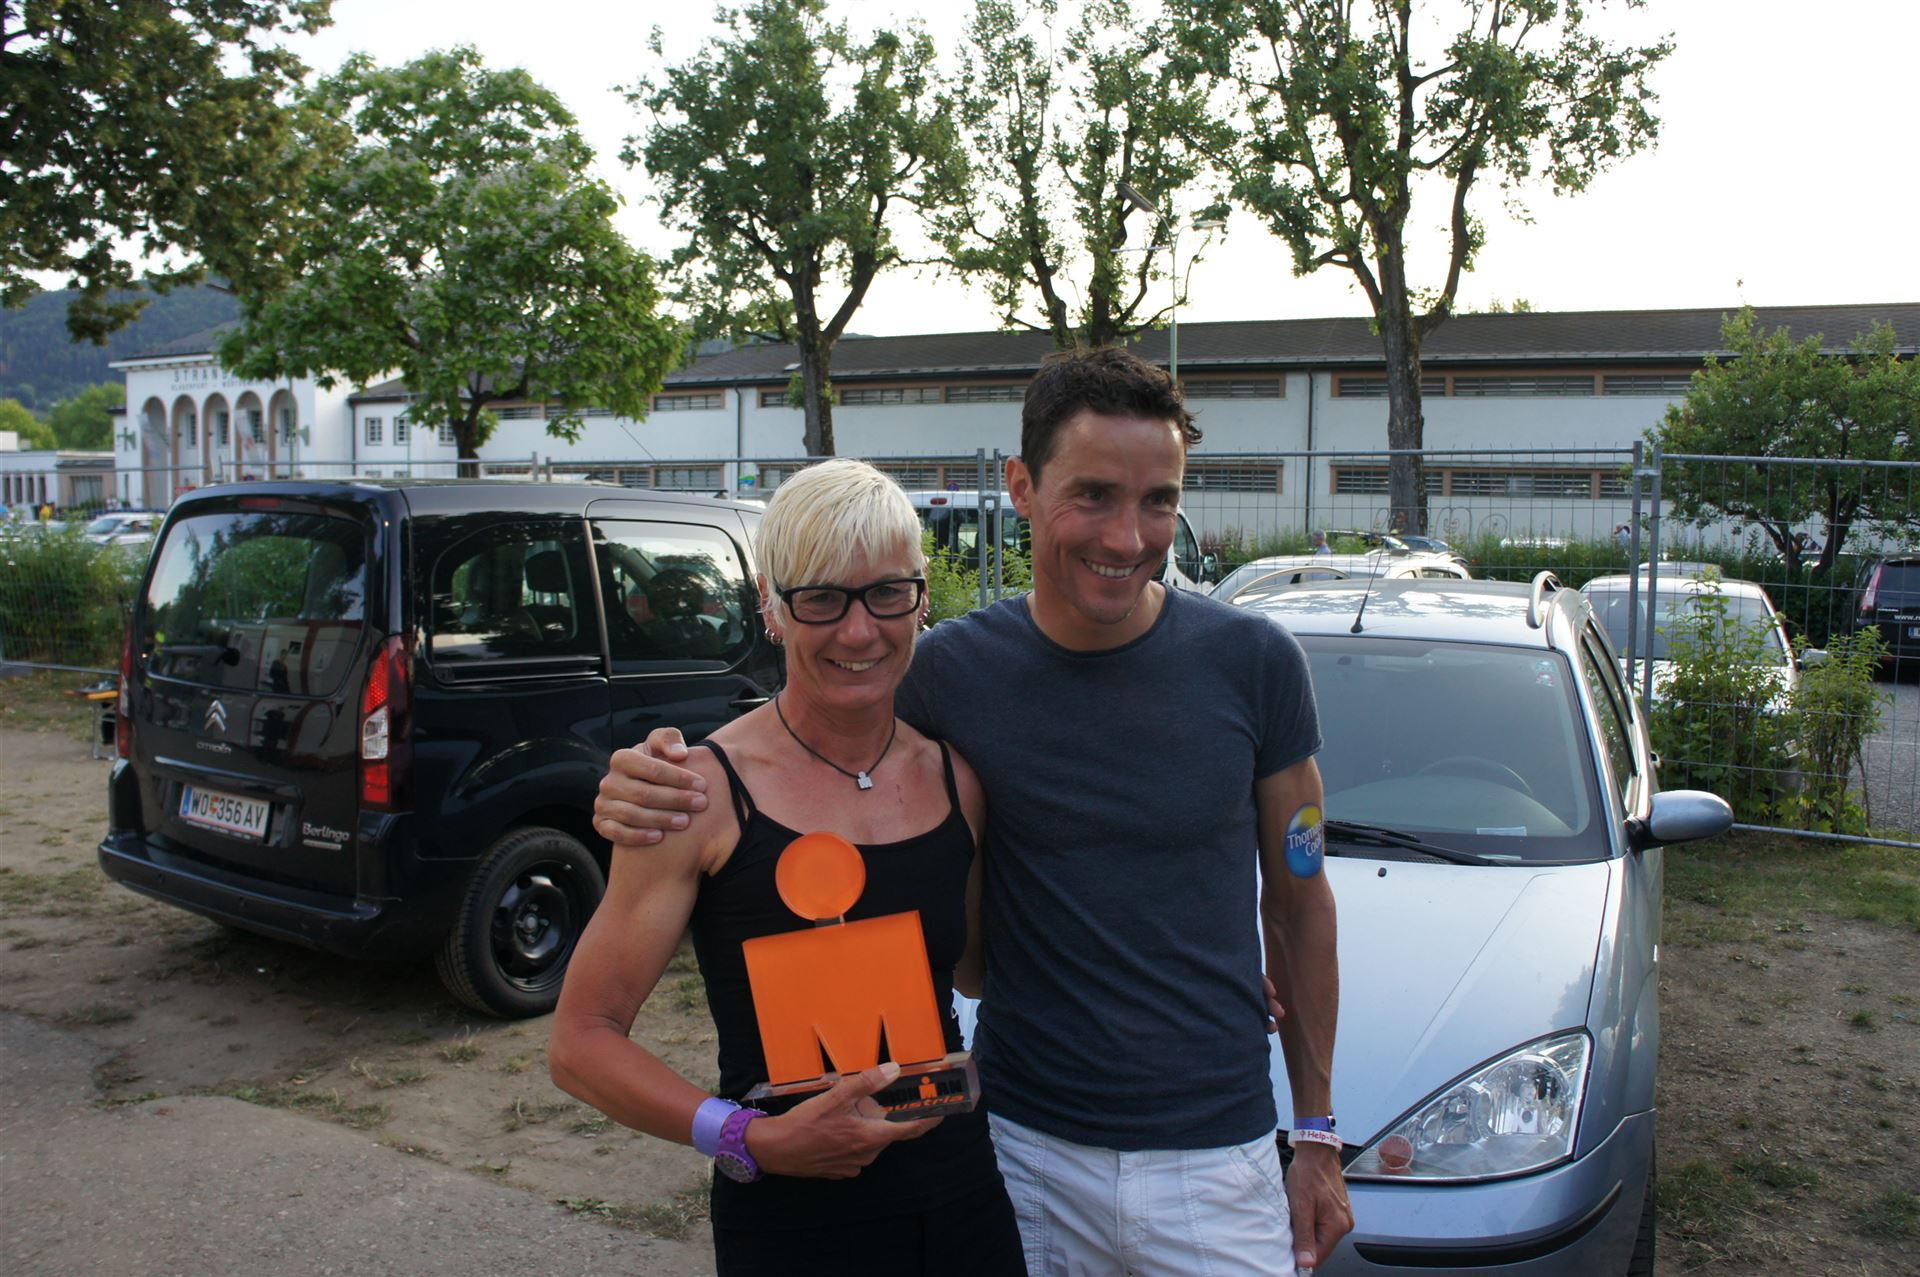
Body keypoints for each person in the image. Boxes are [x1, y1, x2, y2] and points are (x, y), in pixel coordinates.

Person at [596, 348, 1353, 1275]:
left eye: (1159, 500)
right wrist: (647, 777)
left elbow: (1301, 900)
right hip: (1016, 1151)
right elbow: (818, 713)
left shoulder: (1257, 664)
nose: (1127, 536)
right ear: (1021, 487)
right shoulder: (947, 673)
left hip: (1214, 1159)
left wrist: (1316, 1130)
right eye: (1094, 495)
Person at [550, 459, 1023, 1277]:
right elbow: (580, 1042)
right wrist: (749, 1137)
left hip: (962, 1202)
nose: (859, 631)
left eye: (887, 593)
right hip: (792, 1225)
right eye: (822, 599)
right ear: (771, 604)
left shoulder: (957, 781)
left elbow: (976, 973)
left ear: (920, 597)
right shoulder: (696, 794)